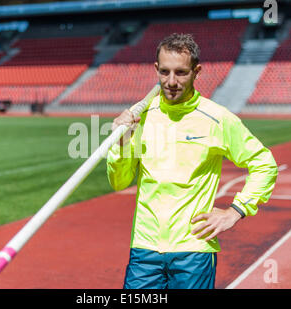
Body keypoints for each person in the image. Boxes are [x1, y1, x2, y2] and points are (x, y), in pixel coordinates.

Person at [106, 33, 278, 289]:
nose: (171, 81)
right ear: (156, 69)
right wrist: (121, 143)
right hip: (144, 249)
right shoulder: (140, 118)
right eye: (164, 72)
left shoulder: (217, 118)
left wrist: (237, 210)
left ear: (197, 72)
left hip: (193, 251)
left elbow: (264, 163)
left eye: (181, 72)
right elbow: (119, 182)